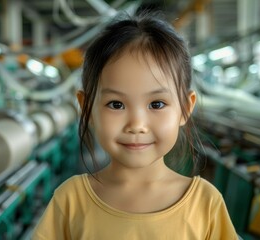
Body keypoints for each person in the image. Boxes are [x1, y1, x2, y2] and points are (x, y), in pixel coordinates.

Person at [33, 11, 237, 240]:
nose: (137, 125)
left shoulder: (206, 204)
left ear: (185, 109)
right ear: (87, 108)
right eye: (116, 104)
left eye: (157, 104)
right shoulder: (70, 200)